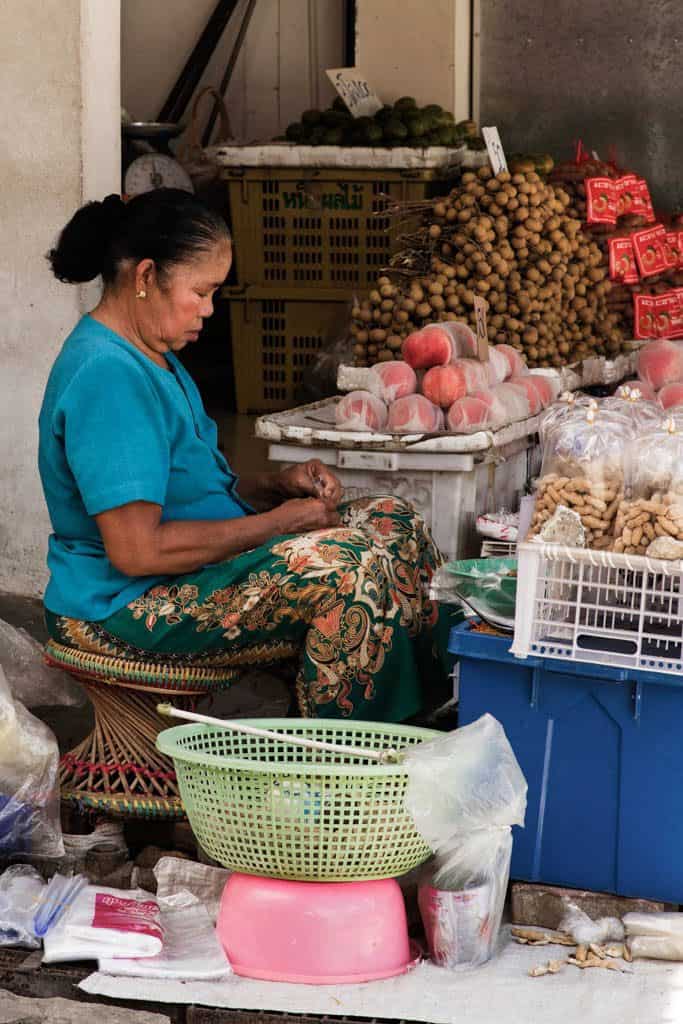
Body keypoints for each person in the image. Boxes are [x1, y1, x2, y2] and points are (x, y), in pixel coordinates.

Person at [39, 188, 449, 721]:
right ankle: (347, 771)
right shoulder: (109, 377)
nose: (209, 311)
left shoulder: (151, 352)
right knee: (347, 568)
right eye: (201, 292)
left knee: (396, 522)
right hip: (124, 603)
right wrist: (277, 526)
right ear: (145, 278)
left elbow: (188, 486)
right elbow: (137, 551)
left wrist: (274, 488)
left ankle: (424, 722)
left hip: (178, 572)